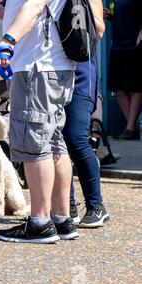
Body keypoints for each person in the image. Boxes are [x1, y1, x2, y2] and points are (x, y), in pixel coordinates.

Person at [0, 0, 79, 243]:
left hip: (36, 65)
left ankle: (40, 222)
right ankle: (61, 218)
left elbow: (34, 6)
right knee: (53, 140)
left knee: (35, 141)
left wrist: (7, 41)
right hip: (54, 65)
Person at [62, 0, 110, 228]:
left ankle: (96, 205)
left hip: (81, 74)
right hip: (51, 73)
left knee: (75, 138)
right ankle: (67, 204)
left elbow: (99, 29)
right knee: (56, 142)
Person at [105, 0, 142, 140]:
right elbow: (122, 15)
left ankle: (130, 128)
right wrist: (111, 16)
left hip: (135, 45)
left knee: (135, 88)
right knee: (117, 88)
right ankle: (131, 127)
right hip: (117, 45)